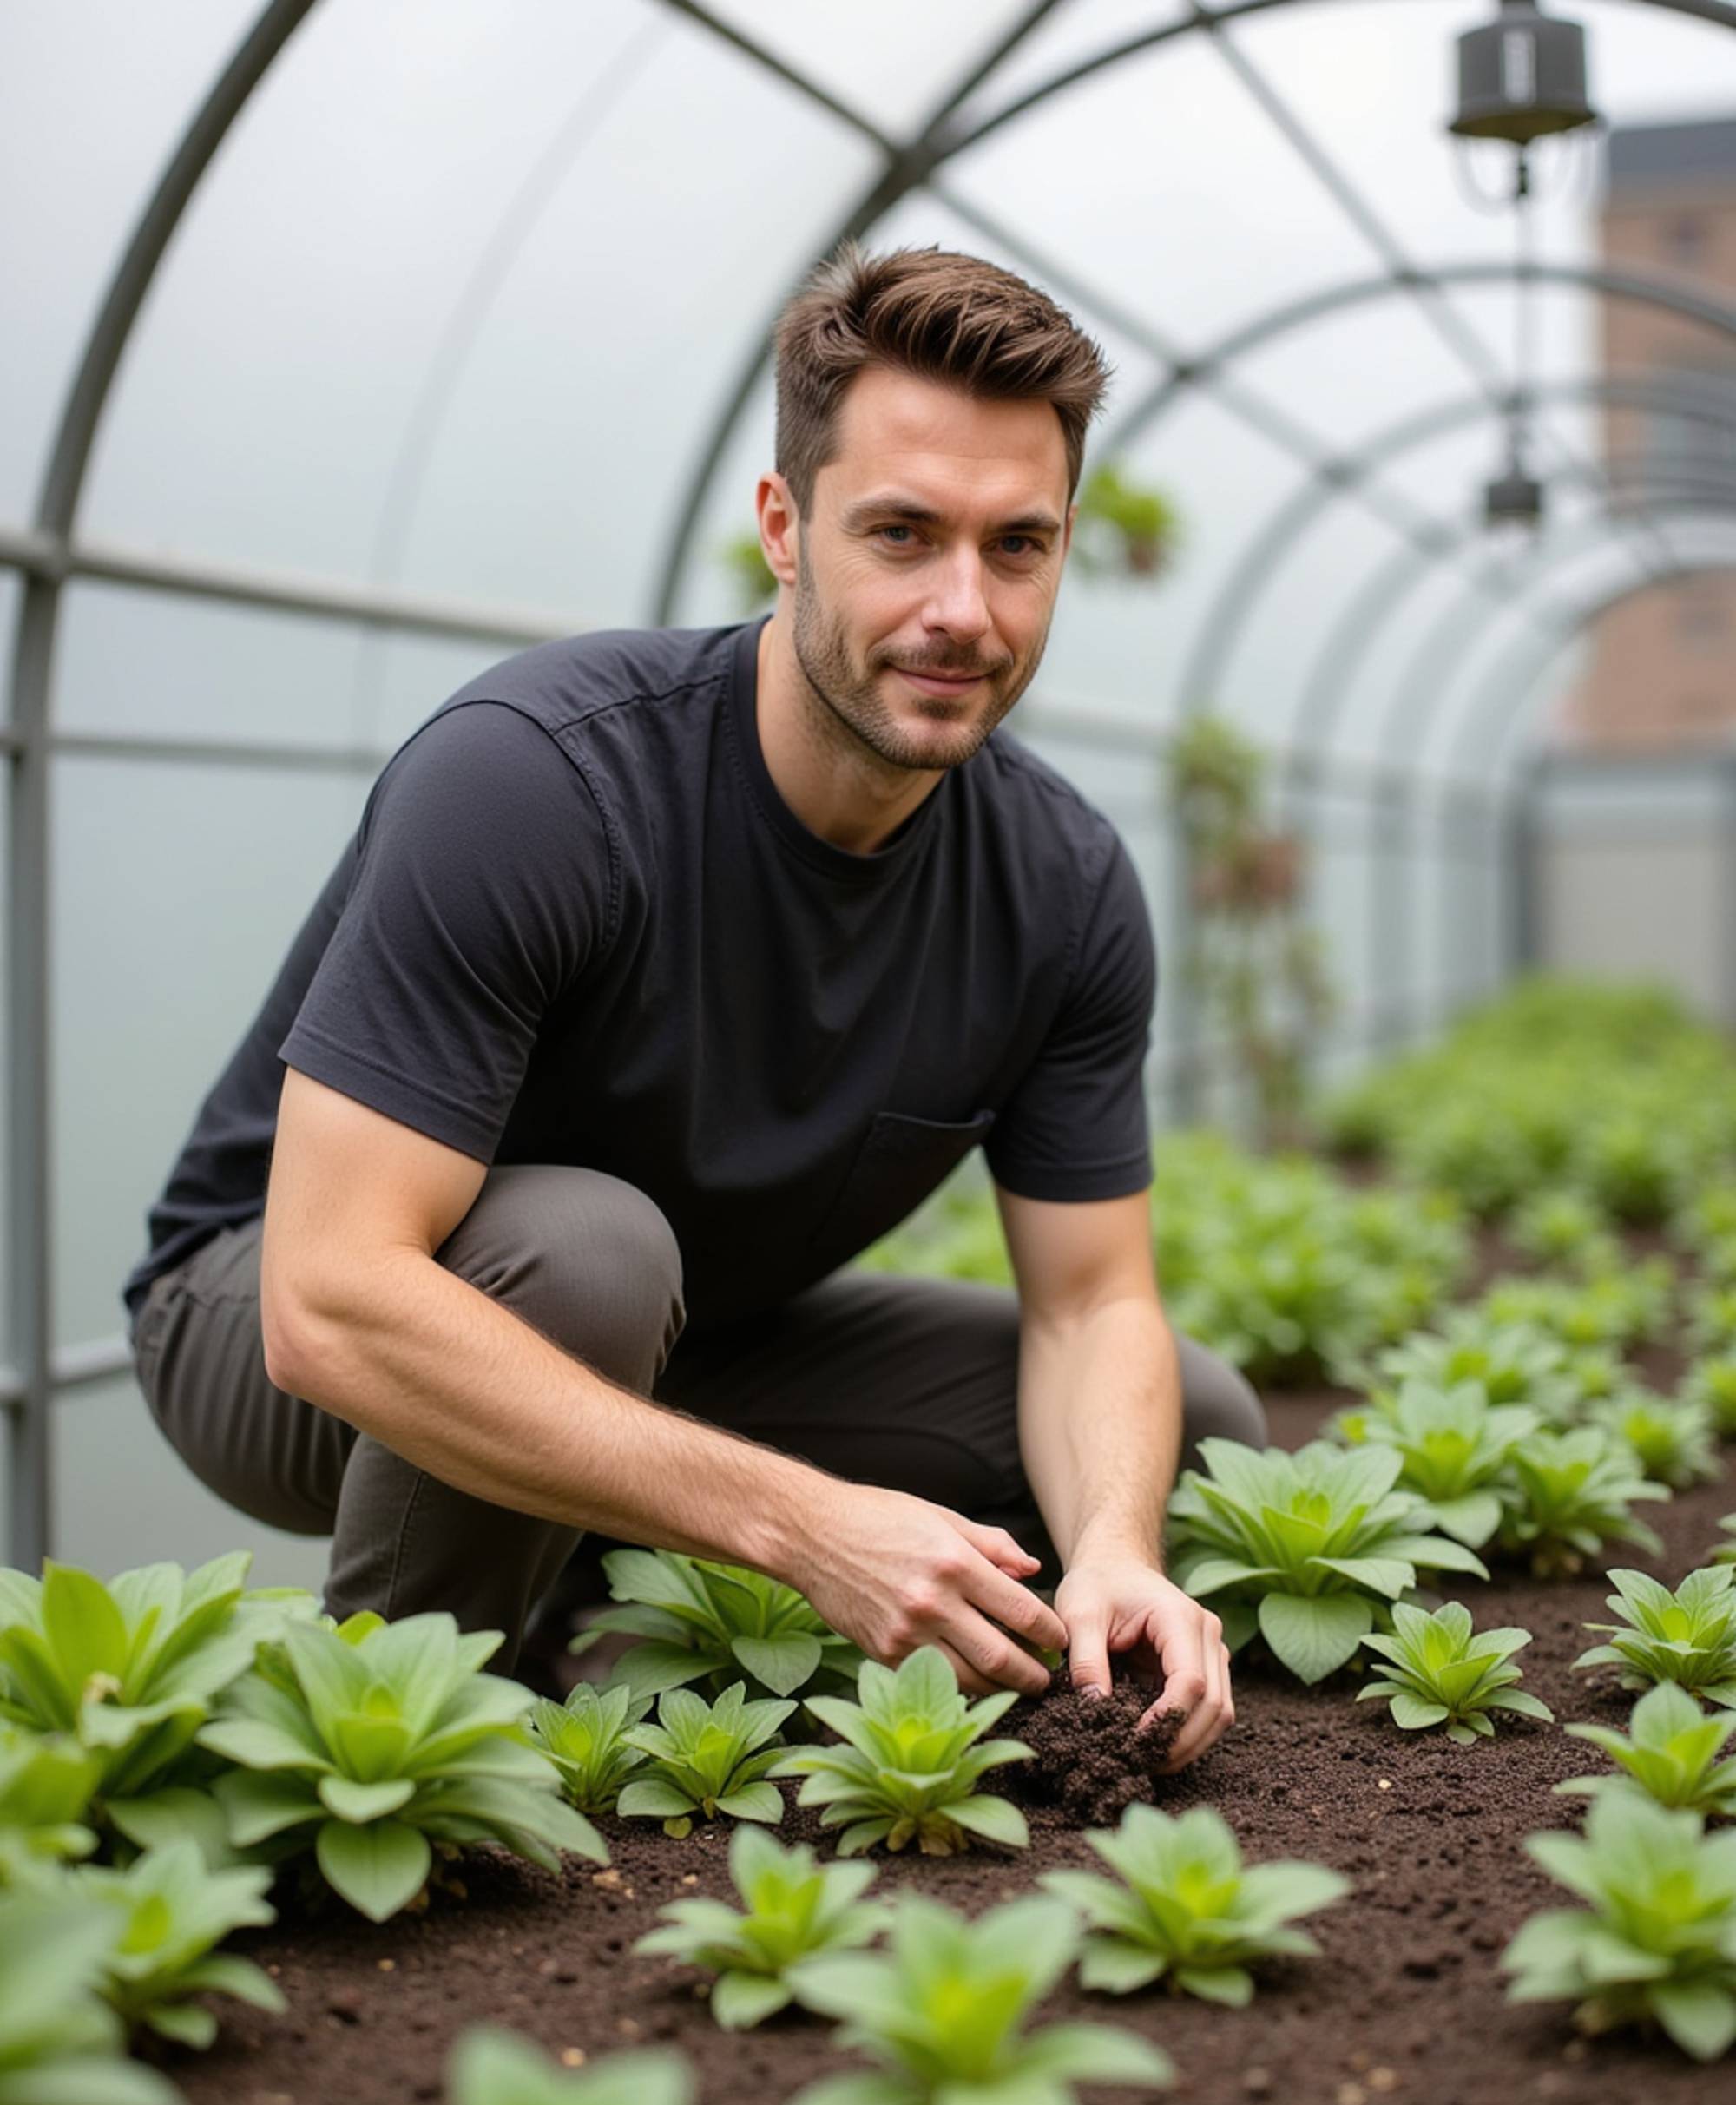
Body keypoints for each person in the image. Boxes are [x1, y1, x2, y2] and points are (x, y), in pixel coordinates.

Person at [124, 241, 1265, 1776]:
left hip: (679, 1336)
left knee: (1186, 1415)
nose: (962, 609)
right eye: (902, 533)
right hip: (270, 1314)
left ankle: (613, 1582)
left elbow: (1092, 1303)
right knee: (591, 1253)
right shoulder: (541, 780)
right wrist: (802, 1528)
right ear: (785, 532)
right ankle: (418, 1756)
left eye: (1017, 546)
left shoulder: (1059, 883)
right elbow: (326, 1303)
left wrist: (1114, 1547)